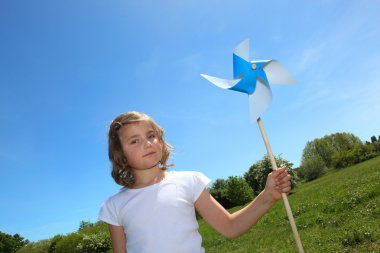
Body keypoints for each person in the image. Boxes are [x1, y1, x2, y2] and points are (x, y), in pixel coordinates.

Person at [99, 111, 291, 253]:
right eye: (134, 141)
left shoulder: (189, 181)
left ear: (160, 139)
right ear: (120, 154)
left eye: (151, 136)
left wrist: (267, 196)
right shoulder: (114, 206)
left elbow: (230, 227)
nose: (148, 143)